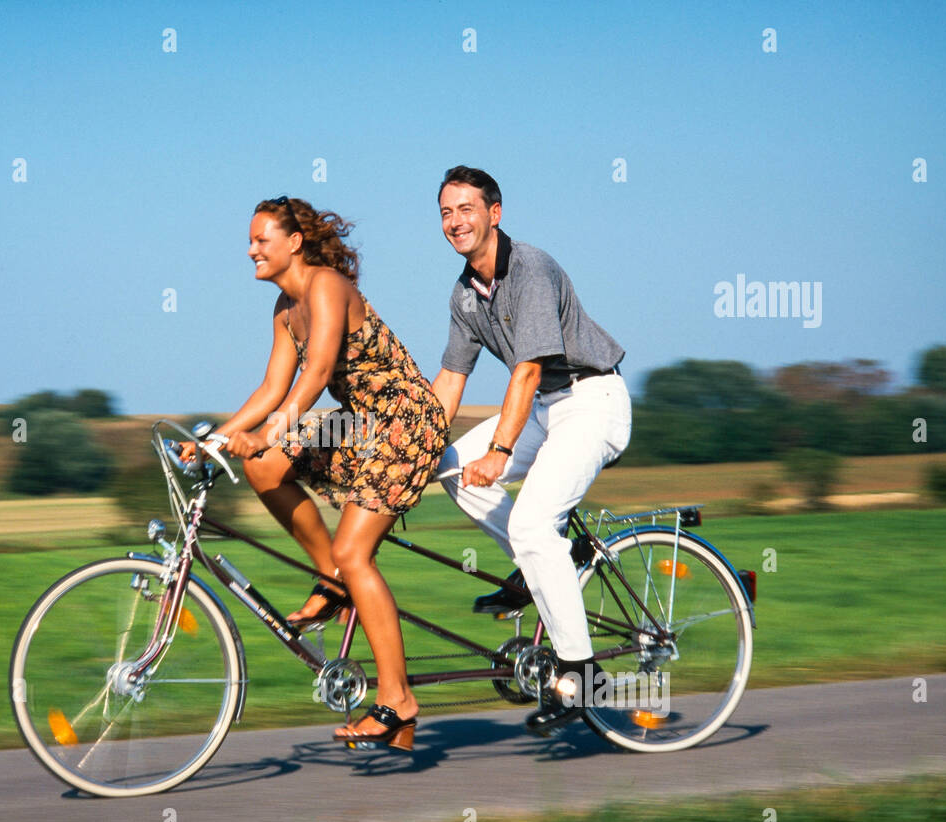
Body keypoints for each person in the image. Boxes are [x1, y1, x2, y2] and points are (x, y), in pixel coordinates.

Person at [184, 196, 447, 750]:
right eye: (250, 241)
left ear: (294, 243)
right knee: (264, 466)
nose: (250, 249)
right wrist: (212, 442)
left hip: (404, 424)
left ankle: (397, 700)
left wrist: (272, 430)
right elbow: (271, 388)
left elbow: (319, 369)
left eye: (261, 240)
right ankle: (335, 582)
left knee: (357, 553)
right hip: (358, 425)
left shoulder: (326, 285)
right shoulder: (284, 307)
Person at [429, 166, 632, 733]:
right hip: (546, 408)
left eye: (466, 209)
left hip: (593, 402)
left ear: (495, 213)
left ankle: (581, 675)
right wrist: (415, 448)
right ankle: (543, 565)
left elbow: (528, 367)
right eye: (446, 212)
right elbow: (449, 378)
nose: (455, 221)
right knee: (447, 470)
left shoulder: (531, 268)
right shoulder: (465, 295)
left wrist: (499, 449)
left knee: (531, 522)